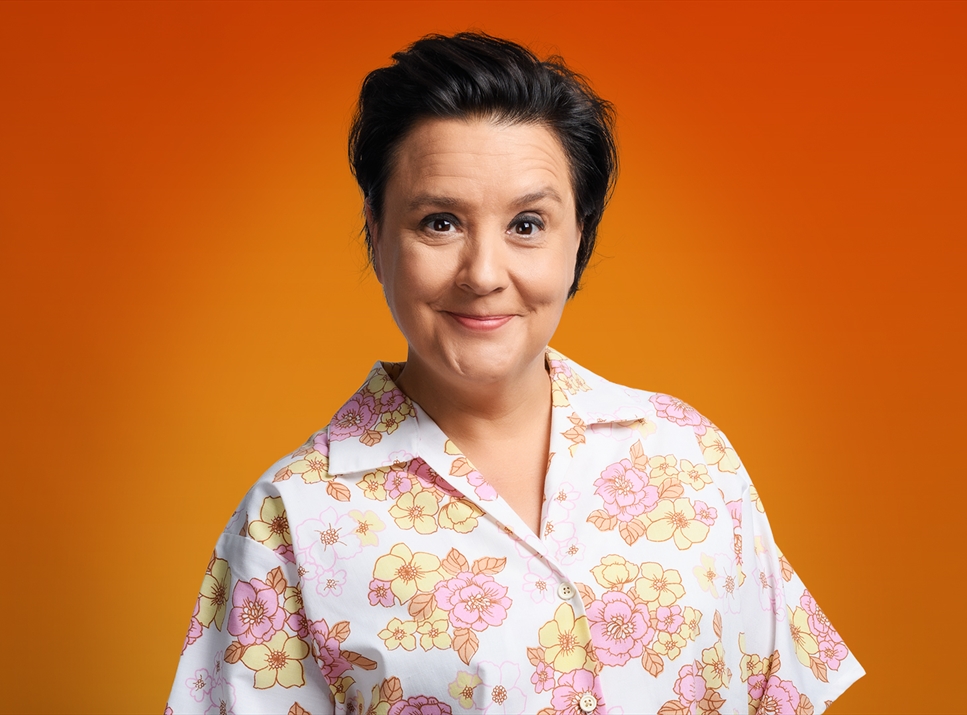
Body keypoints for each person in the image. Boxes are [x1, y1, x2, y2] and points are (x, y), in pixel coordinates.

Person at [167, 32, 864, 715]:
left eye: (527, 223)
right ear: (377, 233)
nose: (484, 274)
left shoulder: (691, 458)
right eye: (440, 222)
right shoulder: (291, 519)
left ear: (579, 236)